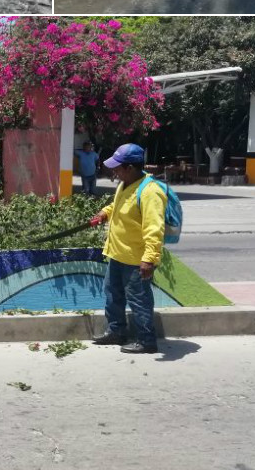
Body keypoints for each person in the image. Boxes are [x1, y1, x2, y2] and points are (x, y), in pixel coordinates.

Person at [87, 143, 165, 354]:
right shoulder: (126, 183)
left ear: (130, 167)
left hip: (136, 259)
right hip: (117, 254)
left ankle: (147, 341)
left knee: (139, 300)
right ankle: (117, 332)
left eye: (117, 167)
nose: (114, 171)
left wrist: (149, 259)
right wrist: (104, 213)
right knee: (113, 294)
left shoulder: (150, 192)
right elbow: (118, 205)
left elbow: (154, 229)